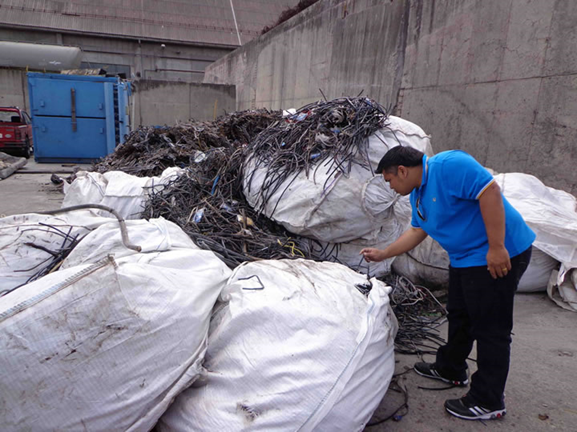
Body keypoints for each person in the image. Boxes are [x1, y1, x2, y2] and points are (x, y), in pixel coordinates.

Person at [360, 146, 535, 421]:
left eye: (390, 180)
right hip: (466, 259)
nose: (391, 187)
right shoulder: (418, 194)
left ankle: (488, 400)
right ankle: (451, 368)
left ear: (402, 171)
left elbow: (489, 192)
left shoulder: (450, 165)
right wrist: (384, 253)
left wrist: (497, 247)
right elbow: (418, 230)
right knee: (459, 315)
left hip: (498, 254)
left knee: (491, 329)